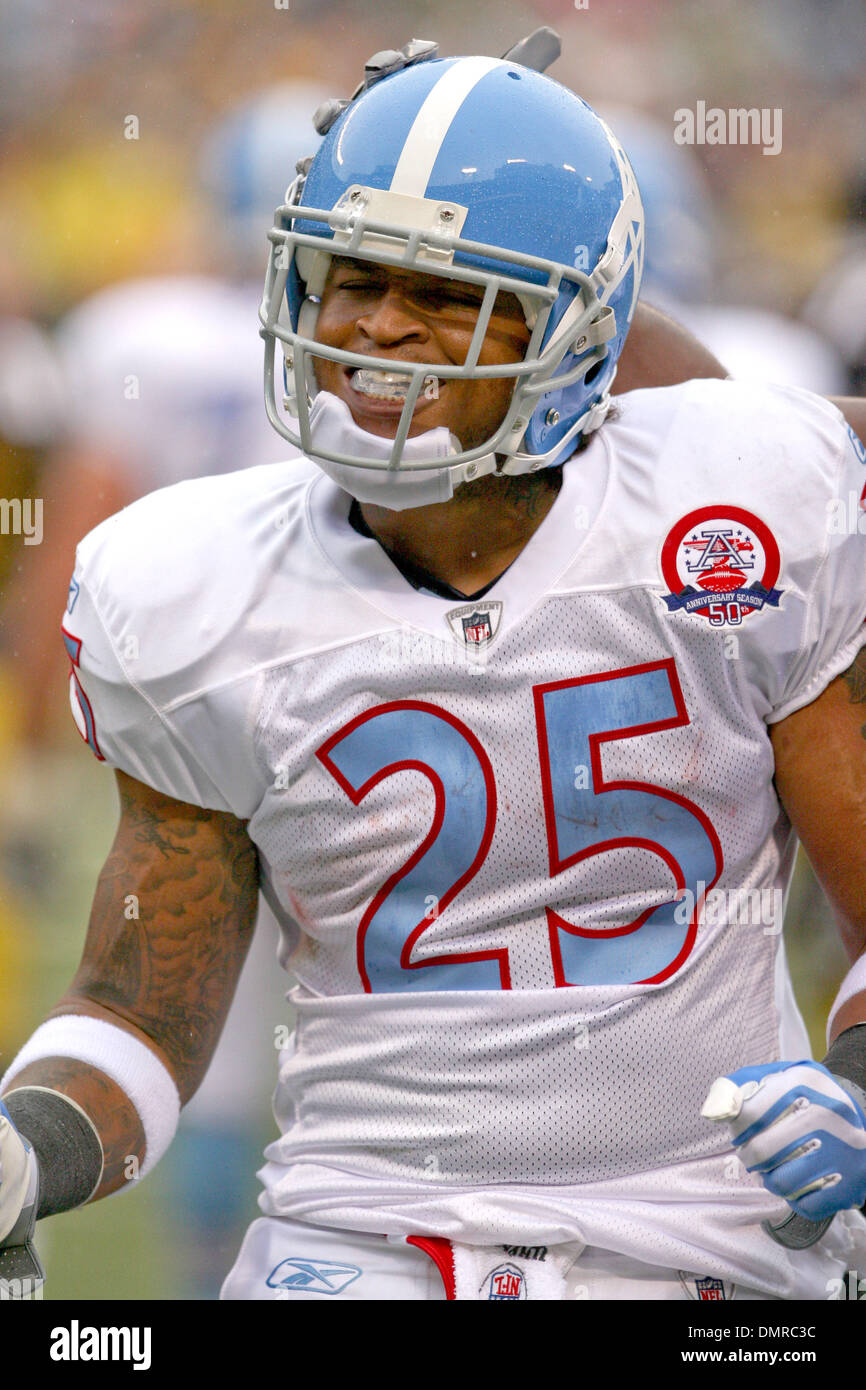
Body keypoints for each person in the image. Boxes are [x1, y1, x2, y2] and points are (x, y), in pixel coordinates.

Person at [3, 39, 866, 1302]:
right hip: (357, 1241)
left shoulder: (733, 510)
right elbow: (138, 1009)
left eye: (449, 292)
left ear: (577, 328)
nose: (378, 328)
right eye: (351, 277)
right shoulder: (193, 588)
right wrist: (29, 1147)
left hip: (710, 1238)